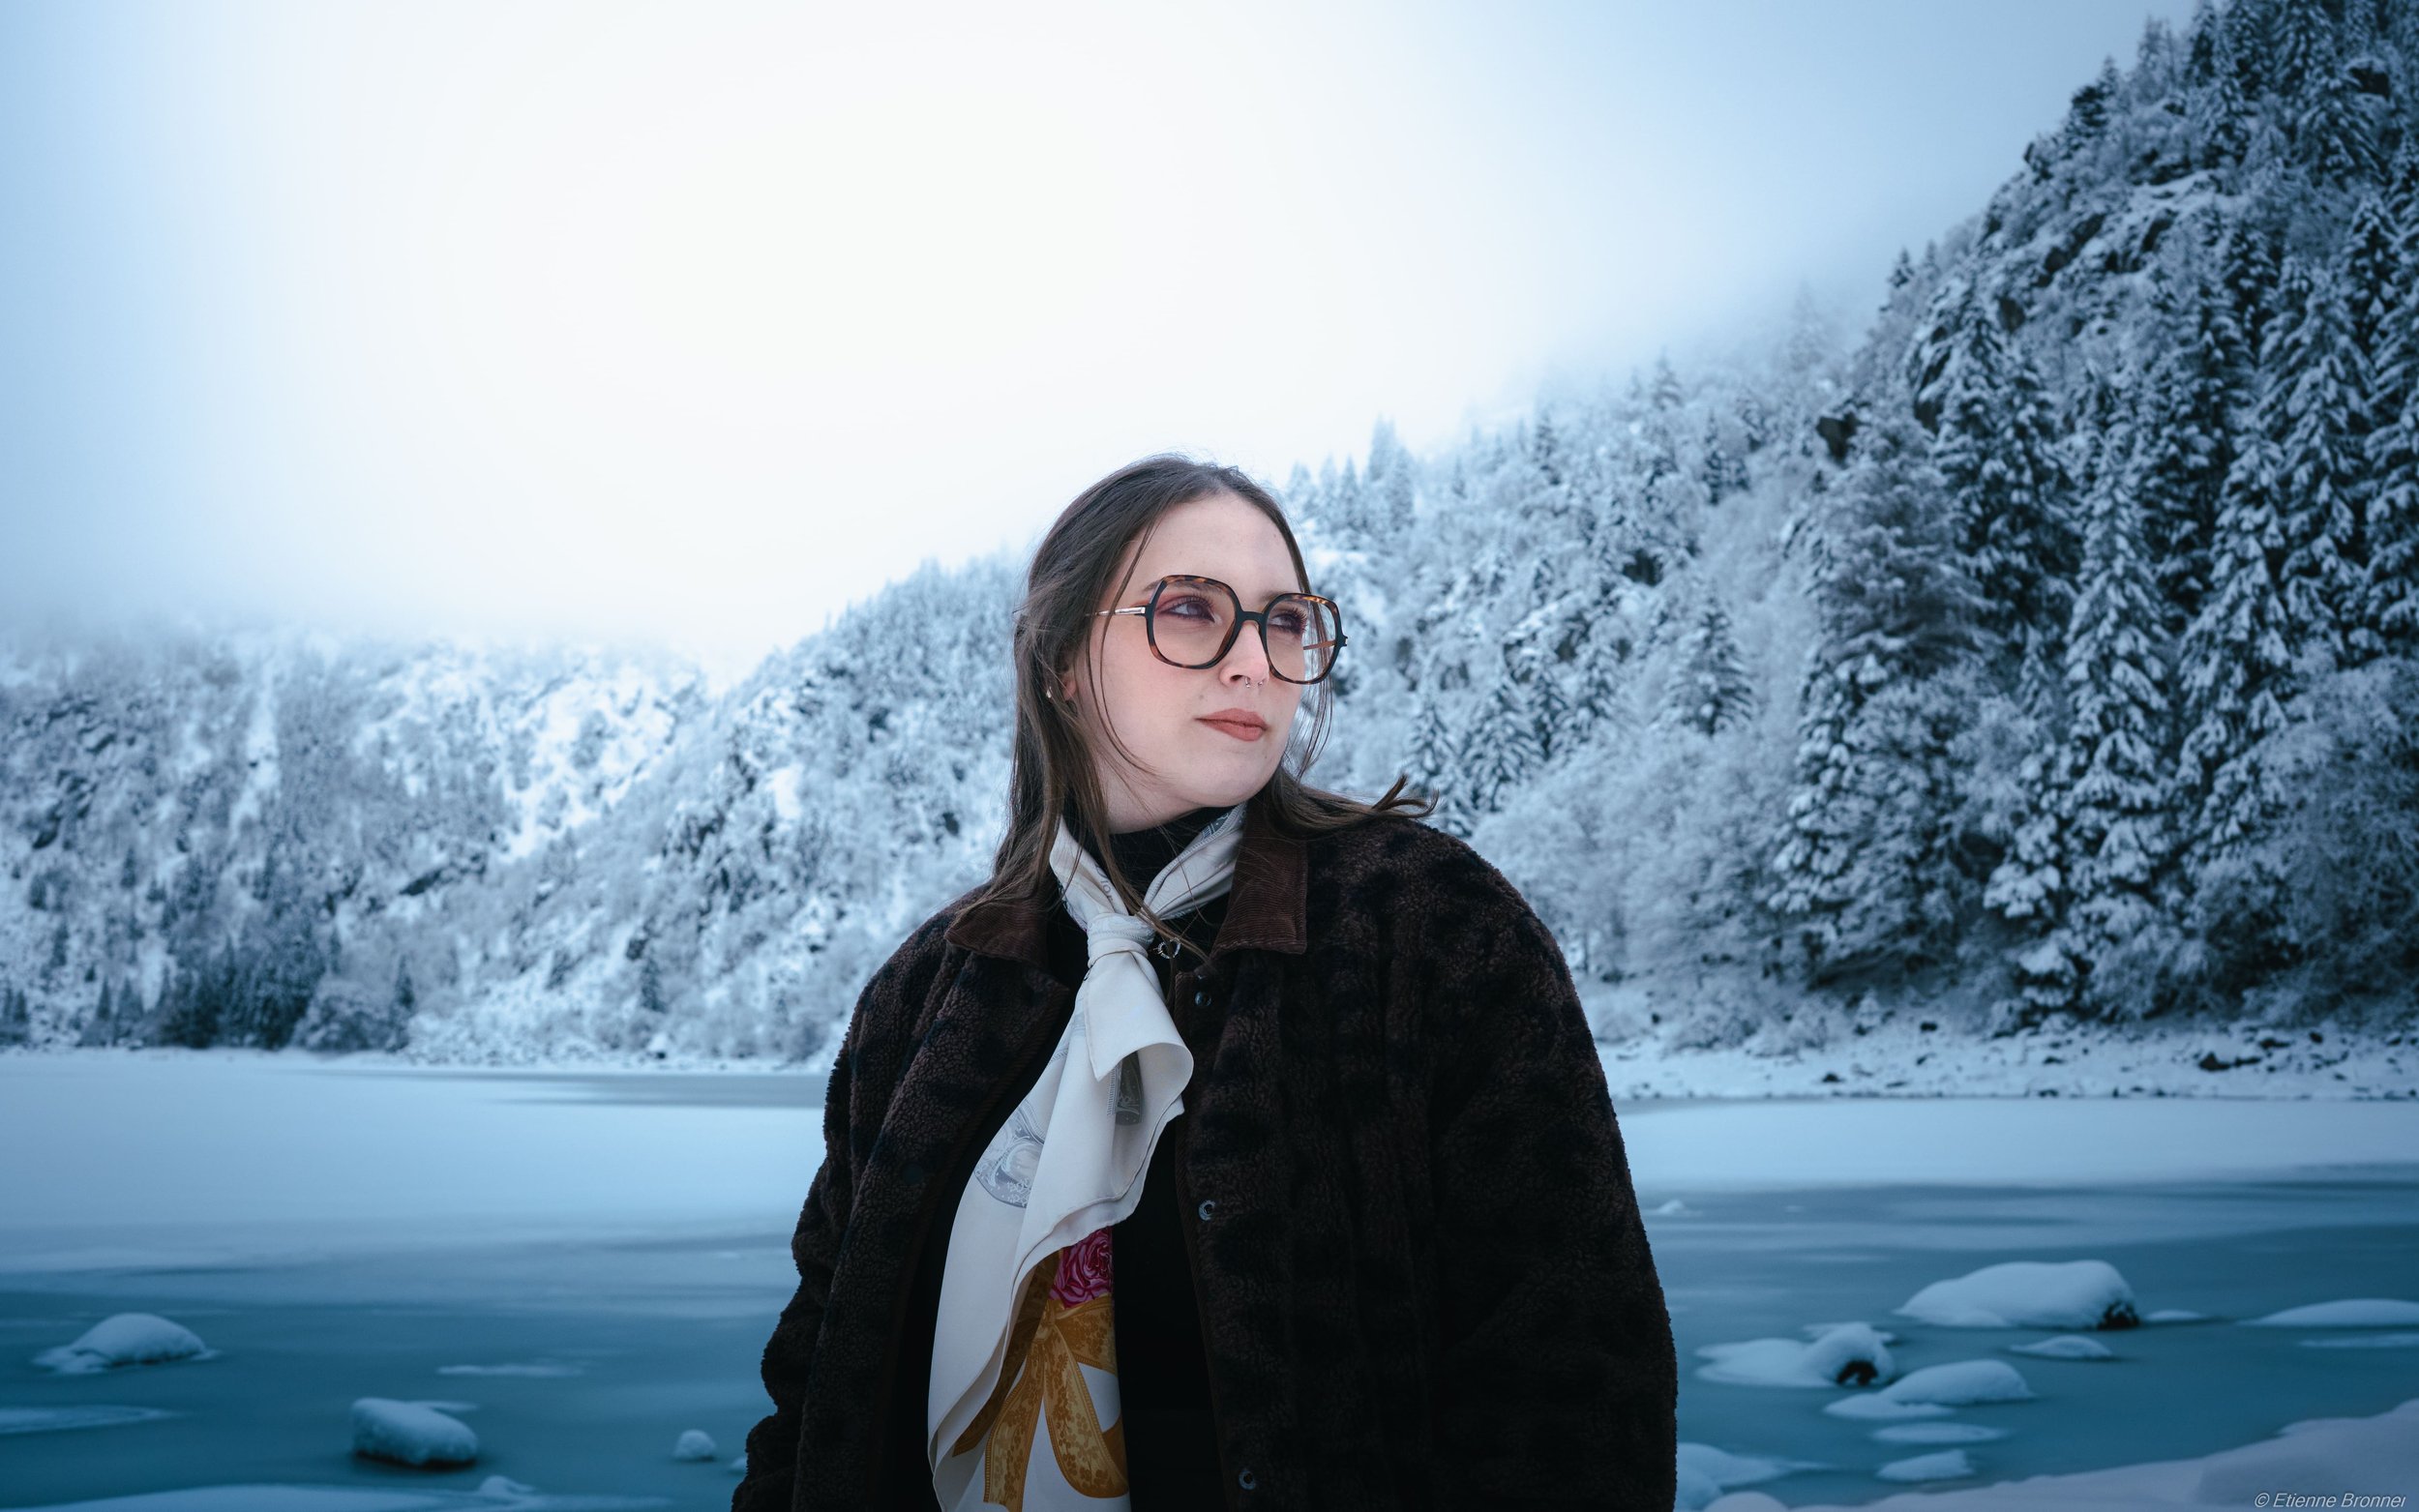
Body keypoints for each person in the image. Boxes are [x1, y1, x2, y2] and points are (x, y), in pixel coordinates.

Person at [733, 455, 1675, 1511]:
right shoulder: (930, 991)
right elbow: (819, 1387)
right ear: (1062, 660)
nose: (1255, 663)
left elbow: (1576, 1386)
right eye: (1191, 610)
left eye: (1286, 621)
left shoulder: (1429, 931)